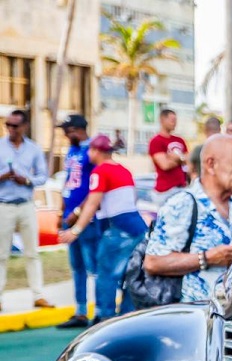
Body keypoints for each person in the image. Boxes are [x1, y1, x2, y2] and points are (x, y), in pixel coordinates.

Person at [144, 135, 232, 302]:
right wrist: (206, 258)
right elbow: (152, 262)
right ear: (211, 164)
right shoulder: (183, 203)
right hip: (191, 318)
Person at [59, 135, 147, 324]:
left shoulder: (100, 171)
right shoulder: (123, 170)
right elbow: (132, 198)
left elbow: (92, 203)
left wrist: (75, 230)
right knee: (130, 274)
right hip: (137, 226)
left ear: (96, 151)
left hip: (118, 227)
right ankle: (127, 315)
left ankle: (104, 317)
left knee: (106, 272)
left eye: (90, 150)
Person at [0, 109, 53, 311]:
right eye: (8, 125)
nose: (11, 129)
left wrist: (27, 180)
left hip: (26, 204)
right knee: (1, 254)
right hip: (4, 203)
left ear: (24, 126)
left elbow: (43, 176)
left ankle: (38, 295)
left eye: (15, 126)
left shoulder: (33, 149)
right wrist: (3, 176)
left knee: (32, 252)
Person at [56, 114, 100, 328]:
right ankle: (81, 311)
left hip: (86, 218)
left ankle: (102, 310)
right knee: (77, 266)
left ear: (77, 129)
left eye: (68, 130)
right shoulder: (72, 151)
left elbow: (95, 187)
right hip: (68, 215)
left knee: (94, 265)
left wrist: (79, 210)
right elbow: (68, 182)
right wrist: (61, 211)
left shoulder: (92, 149)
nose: (65, 134)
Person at [148, 108, 188, 207]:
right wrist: (181, 159)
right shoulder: (156, 141)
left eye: (175, 120)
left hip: (181, 187)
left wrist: (176, 157)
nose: (174, 123)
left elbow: (189, 160)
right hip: (165, 191)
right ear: (162, 120)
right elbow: (164, 165)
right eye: (172, 120)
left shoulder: (180, 140)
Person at [189, 116, 222, 182]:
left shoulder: (198, 149)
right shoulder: (226, 150)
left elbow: (191, 169)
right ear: (219, 130)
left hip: (202, 186)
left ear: (205, 130)